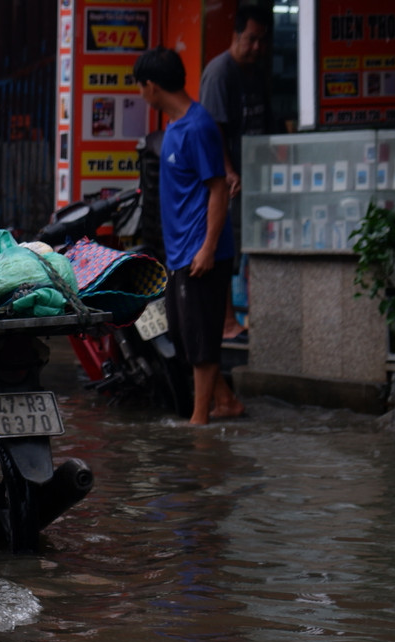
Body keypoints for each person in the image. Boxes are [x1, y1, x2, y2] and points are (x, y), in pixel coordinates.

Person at [134, 47, 245, 426]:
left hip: (200, 250)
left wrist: (209, 248)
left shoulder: (198, 126)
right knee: (181, 333)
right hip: (180, 250)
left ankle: (199, 423)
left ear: (151, 86)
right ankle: (225, 400)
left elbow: (218, 189)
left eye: (140, 87)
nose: (141, 94)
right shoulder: (175, 129)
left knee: (200, 340)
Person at [200, 5, 272, 341]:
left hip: (258, 179)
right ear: (235, 36)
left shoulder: (257, 72)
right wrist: (229, 173)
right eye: (251, 39)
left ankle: (254, 315)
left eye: (262, 40)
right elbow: (214, 130)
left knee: (254, 247)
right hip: (230, 184)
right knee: (229, 249)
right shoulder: (220, 73)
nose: (257, 47)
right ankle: (227, 321)